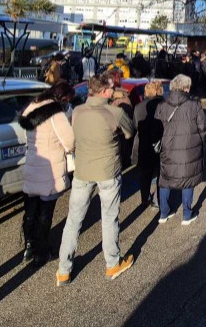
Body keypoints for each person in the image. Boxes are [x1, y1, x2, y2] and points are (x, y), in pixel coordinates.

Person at [56, 76, 135, 286]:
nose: (113, 90)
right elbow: (129, 132)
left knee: (73, 220)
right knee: (109, 217)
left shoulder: (78, 111)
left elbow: (73, 138)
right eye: (111, 88)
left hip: (83, 171)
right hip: (108, 170)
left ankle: (64, 269)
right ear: (103, 92)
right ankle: (112, 263)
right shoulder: (114, 113)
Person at [18, 82, 75, 266]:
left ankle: (28, 245)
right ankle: (42, 251)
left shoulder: (32, 105)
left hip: (33, 162)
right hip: (50, 168)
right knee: (45, 211)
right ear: (62, 97)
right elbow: (69, 140)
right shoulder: (56, 113)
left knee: (31, 208)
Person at [155, 74, 206, 225]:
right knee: (187, 179)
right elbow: (203, 126)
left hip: (167, 147)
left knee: (165, 179)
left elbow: (156, 127)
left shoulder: (162, 105)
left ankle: (164, 213)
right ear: (185, 87)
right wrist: (204, 142)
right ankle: (187, 214)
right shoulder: (194, 105)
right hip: (189, 148)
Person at [133, 81, 165, 209]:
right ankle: (157, 199)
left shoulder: (139, 106)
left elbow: (135, 125)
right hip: (160, 142)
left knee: (145, 174)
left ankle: (144, 198)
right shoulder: (164, 105)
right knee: (160, 173)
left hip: (143, 143)